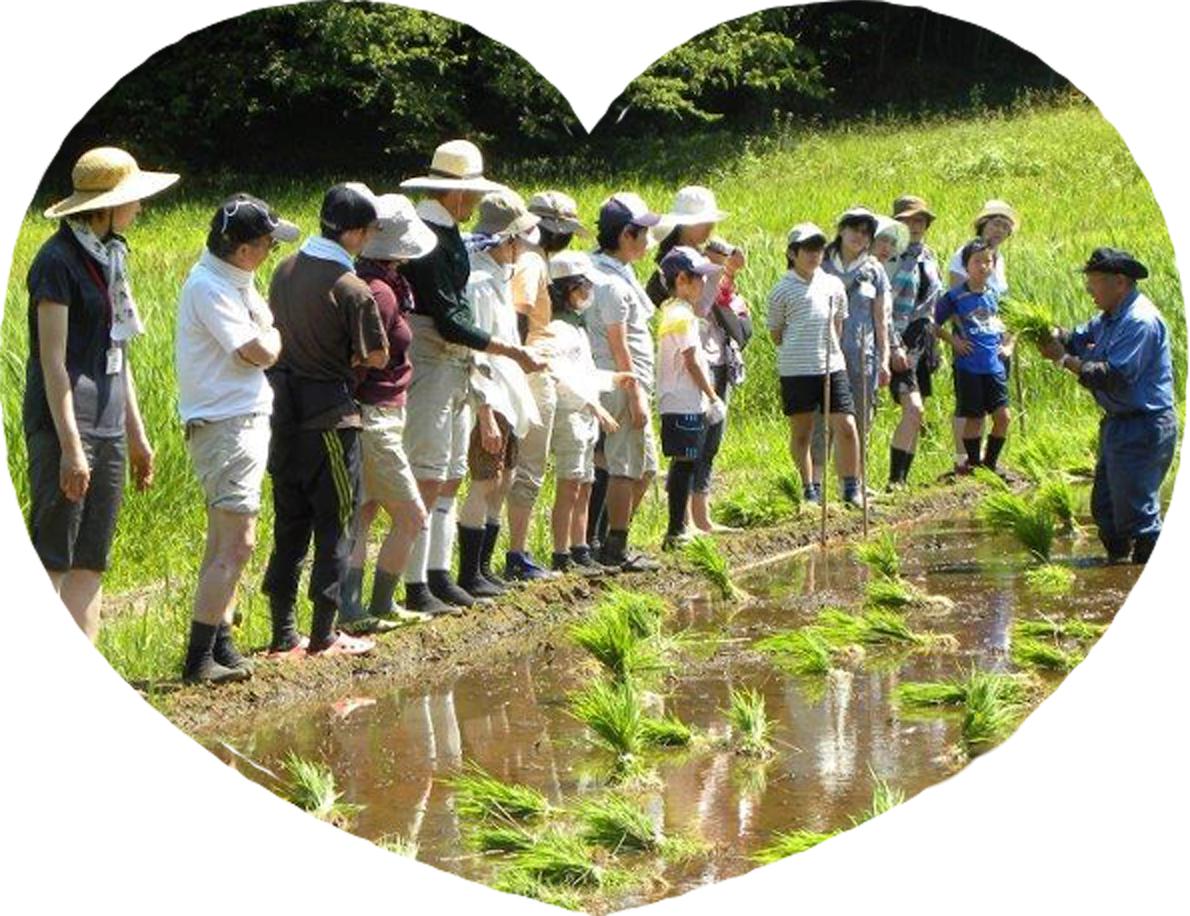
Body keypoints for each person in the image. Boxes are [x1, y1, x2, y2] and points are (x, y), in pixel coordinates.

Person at [25, 146, 177, 642]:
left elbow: (120, 351)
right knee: (53, 558)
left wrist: (138, 435)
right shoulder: (56, 261)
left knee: (91, 561)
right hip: (68, 428)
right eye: (133, 200)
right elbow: (53, 361)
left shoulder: (114, 256)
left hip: (110, 425)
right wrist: (71, 448)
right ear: (106, 206)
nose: (140, 209)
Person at [398, 140, 545, 613]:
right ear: (458, 195)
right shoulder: (428, 239)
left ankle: (438, 576)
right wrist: (507, 350)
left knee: (449, 476)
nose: (477, 203)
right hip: (434, 360)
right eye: (474, 195)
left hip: (455, 362)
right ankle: (417, 584)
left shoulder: (446, 234)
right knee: (429, 473)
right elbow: (447, 316)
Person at [262, 182, 391, 657]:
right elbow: (376, 355)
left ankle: (282, 633)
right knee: (336, 522)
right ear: (355, 234)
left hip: (282, 415)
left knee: (289, 523)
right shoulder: (352, 287)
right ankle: (324, 633)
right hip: (330, 419)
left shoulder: (283, 268)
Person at [175, 193, 297, 683]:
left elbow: (268, 334)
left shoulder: (234, 279)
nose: (271, 250)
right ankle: (199, 658)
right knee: (237, 542)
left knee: (225, 542)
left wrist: (271, 337)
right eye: (268, 243)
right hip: (227, 424)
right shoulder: (210, 287)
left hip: (238, 420)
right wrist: (272, 340)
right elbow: (256, 349)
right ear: (245, 249)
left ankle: (219, 643)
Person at [1037, 248, 1176, 564]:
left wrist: (1062, 359)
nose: (1089, 290)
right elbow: (1076, 337)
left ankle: (1141, 575)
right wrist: (1052, 333)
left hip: (1144, 425)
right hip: (1119, 424)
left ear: (1120, 283)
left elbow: (1113, 376)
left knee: (1137, 514)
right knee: (1106, 509)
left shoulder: (1139, 321)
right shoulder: (1108, 317)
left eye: (1095, 282)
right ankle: (1117, 567)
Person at [342, 194, 438, 626]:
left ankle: (358, 605)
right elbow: (360, 359)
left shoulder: (378, 282)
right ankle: (371, 604)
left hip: (380, 413)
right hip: (375, 415)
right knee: (412, 515)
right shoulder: (380, 292)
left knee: (365, 512)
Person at [456, 190, 543, 597]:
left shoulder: (496, 280)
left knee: (503, 480)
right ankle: (469, 573)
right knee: (484, 481)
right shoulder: (477, 284)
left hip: (508, 395)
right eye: (517, 240)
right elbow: (477, 353)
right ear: (505, 240)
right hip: (487, 398)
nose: (520, 248)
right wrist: (485, 411)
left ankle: (484, 569)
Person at [502, 190, 589, 581]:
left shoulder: (527, 258)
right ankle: (517, 556)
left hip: (527, 368)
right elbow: (517, 315)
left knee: (521, 469)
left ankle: (516, 554)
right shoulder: (533, 262)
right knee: (529, 469)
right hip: (532, 371)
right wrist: (521, 364)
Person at [584, 192, 664, 571]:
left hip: (630, 383)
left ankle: (605, 538)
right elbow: (619, 345)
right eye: (643, 233)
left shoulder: (614, 270)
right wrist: (635, 397)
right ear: (626, 235)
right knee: (626, 465)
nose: (649, 241)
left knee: (645, 467)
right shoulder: (609, 282)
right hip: (621, 384)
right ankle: (613, 546)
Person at [543, 252, 631, 574]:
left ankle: (580, 548)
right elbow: (561, 376)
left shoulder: (577, 329)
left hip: (586, 416)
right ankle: (560, 554)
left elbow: (586, 373)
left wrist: (612, 380)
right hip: (571, 414)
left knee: (586, 483)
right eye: (583, 289)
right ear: (566, 291)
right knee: (569, 485)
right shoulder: (555, 330)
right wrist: (594, 405)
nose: (587, 295)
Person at [767, 223, 862, 506]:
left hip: (832, 366)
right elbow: (776, 333)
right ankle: (809, 489)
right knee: (803, 432)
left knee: (846, 424)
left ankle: (850, 488)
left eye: (818, 249)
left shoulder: (833, 284)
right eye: (807, 249)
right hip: (796, 370)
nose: (814, 255)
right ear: (792, 253)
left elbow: (838, 324)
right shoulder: (780, 291)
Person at [812, 207, 890, 495]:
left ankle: (855, 483)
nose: (860, 236)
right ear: (841, 230)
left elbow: (881, 318)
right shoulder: (822, 266)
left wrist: (884, 359)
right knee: (822, 421)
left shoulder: (874, 270)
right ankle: (815, 486)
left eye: (866, 232)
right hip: (824, 356)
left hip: (862, 355)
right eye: (855, 229)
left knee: (860, 418)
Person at [654, 246, 726, 549]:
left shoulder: (676, 311)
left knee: (684, 461)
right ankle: (676, 530)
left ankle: (680, 526)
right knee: (684, 462)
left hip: (682, 398)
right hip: (682, 399)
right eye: (699, 279)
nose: (703, 285)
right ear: (682, 279)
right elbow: (691, 360)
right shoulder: (681, 314)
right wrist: (712, 396)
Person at [948, 199, 1017, 470]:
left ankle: (985, 460)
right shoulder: (964, 254)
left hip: (996, 340)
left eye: (1005, 226)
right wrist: (963, 337)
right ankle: (962, 458)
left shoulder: (998, 260)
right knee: (969, 404)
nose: (999, 230)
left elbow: (1002, 301)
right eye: (995, 223)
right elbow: (955, 301)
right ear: (982, 225)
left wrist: (1008, 339)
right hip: (972, 340)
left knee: (994, 403)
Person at [935, 238, 1012, 475]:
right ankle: (972, 464)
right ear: (966, 266)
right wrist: (954, 341)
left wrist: (1009, 345)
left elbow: (1013, 324)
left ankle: (990, 463)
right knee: (974, 418)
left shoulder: (997, 296)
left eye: (988, 261)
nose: (983, 266)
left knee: (1003, 417)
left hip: (994, 365)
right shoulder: (954, 296)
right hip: (968, 366)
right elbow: (933, 323)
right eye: (977, 261)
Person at [883, 195, 944, 488]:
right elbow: (882, 309)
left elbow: (932, 302)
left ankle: (902, 480)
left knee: (918, 411)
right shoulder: (891, 259)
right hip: (899, 341)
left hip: (921, 340)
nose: (915, 225)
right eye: (908, 220)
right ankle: (894, 480)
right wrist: (893, 346)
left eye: (919, 220)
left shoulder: (928, 255)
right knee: (913, 408)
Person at [692, 236, 752, 532]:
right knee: (695, 442)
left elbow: (742, 329)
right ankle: (686, 521)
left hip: (721, 365)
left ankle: (702, 518)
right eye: (720, 257)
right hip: (697, 366)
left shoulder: (729, 289)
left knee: (712, 442)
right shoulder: (694, 281)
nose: (726, 264)